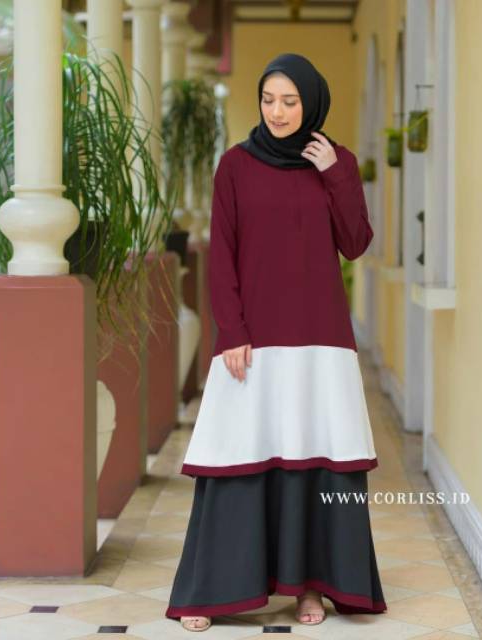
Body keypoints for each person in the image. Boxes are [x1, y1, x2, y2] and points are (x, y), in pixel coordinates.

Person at [165, 52, 387, 633]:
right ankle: (211, 591)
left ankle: (309, 587)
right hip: (255, 340)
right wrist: (232, 331)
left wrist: (335, 172)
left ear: (310, 104)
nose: (278, 112)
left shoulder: (336, 162)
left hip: (320, 341)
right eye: (269, 100)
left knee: (312, 455)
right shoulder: (235, 166)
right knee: (236, 454)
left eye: (290, 101)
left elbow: (356, 242)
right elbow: (222, 255)